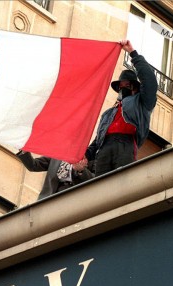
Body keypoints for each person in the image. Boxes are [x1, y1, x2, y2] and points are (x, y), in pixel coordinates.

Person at [85, 40, 158, 176]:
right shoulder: (108, 114)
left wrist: (133, 54)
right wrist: (85, 154)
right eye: (120, 86)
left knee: (121, 181)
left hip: (125, 145)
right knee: (100, 185)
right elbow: (98, 140)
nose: (122, 88)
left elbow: (150, 81)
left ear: (134, 88)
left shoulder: (142, 103)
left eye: (126, 85)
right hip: (105, 148)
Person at [16, 150, 94, 200]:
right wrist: (24, 152)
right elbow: (33, 165)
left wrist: (81, 170)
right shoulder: (57, 154)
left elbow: (95, 182)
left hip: (72, 200)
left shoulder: (89, 157)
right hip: (48, 200)